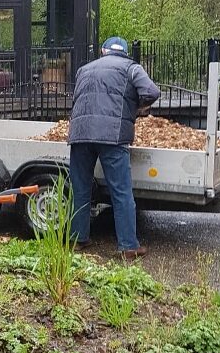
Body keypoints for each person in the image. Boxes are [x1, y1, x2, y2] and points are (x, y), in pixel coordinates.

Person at [68, 37, 160, 259]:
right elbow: (152, 91)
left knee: (80, 189)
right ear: (125, 53)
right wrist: (135, 107)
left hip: (80, 133)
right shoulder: (131, 68)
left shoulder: (84, 69)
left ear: (103, 51)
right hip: (112, 135)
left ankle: (78, 239)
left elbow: (77, 98)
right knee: (120, 191)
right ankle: (128, 246)